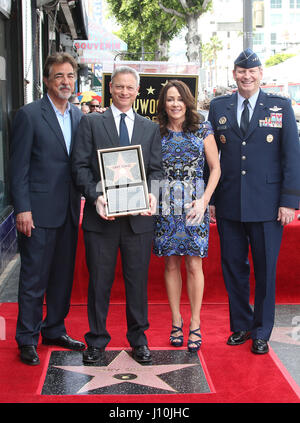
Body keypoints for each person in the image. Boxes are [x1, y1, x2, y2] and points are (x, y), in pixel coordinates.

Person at [208, 48, 300, 354]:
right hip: (229, 202)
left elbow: (291, 157)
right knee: (233, 268)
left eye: (252, 71)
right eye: (241, 71)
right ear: (233, 74)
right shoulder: (219, 106)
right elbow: (210, 157)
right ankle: (241, 325)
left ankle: (262, 330)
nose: (246, 76)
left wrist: (289, 201)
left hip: (268, 204)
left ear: (261, 74)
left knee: (264, 269)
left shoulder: (280, 105)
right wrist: (209, 198)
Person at [71, 66, 163, 364]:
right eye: (119, 87)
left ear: (138, 91)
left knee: (137, 282)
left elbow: (156, 170)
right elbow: (80, 167)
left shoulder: (149, 128)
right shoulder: (91, 123)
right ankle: (96, 340)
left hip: (138, 221)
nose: (124, 92)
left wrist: (152, 193)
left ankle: (139, 339)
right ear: (111, 89)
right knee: (99, 282)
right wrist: (96, 197)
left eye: (130, 88)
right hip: (102, 219)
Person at [9, 52, 85, 366]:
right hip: (37, 213)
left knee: (61, 277)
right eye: (59, 76)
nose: (65, 81)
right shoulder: (29, 115)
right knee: (33, 278)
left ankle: (54, 329)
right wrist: (22, 209)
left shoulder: (79, 116)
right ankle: (27, 337)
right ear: (46, 80)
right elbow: (18, 168)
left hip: (68, 211)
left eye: (70, 76)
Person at [153, 80, 221, 352]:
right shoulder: (155, 131)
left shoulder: (202, 127)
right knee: (170, 265)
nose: (175, 104)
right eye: (169, 99)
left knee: (194, 265)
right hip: (165, 204)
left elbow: (215, 168)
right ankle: (175, 321)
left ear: (187, 101)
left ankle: (195, 323)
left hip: (195, 204)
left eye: (179, 99)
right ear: (163, 103)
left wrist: (205, 201)